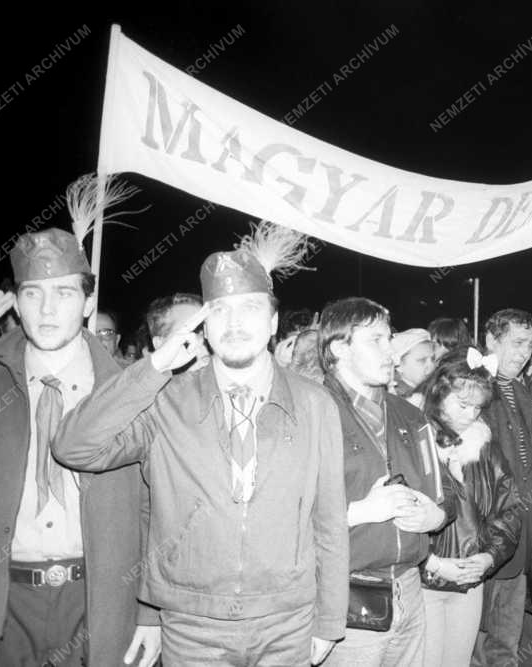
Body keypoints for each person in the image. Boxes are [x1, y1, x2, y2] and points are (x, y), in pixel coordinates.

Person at [55, 224, 349, 665]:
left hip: (286, 622)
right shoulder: (167, 399)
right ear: (204, 326)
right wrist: (152, 368)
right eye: (221, 311)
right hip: (192, 627)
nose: (234, 324)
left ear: (272, 322)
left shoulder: (315, 404)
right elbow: (75, 448)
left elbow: (329, 520)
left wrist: (330, 619)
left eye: (249, 309)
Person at [0, 228, 160, 666]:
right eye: (32, 294)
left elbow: (153, 508)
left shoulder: (128, 386)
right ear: (15, 301)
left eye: (64, 293)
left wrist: (149, 613)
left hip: (98, 602)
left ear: (88, 303)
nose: (47, 310)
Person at [319, 297, 456, 667]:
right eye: (375, 340)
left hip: (410, 588)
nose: (390, 352)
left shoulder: (410, 415)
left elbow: (447, 493)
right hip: (345, 594)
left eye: (389, 338)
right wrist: (355, 512)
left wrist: (436, 517)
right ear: (338, 348)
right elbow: (281, 514)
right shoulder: (312, 413)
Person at [418, 347, 521, 667]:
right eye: (462, 404)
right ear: (438, 394)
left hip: (470, 579)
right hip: (422, 582)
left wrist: (490, 555)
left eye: (477, 407)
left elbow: (510, 507)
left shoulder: (484, 446)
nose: (470, 415)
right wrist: (431, 563)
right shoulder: (416, 441)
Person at [473, 308, 532, 667]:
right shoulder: (474, 388)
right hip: (487, 530)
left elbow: (530, 460)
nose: (524, 353)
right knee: (478, 630)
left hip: (521, 525)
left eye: (530, 346)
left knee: (508, 628)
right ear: (491, 340)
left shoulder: (519, 389)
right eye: (517, 343)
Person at [142, 292, 210, 372]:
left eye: (206, 331)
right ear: (160, 344)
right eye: (190, 333)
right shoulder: (146, 383)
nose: (203, 347)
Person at [391, 328, 436, 407]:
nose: (431, 366)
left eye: (432, 359)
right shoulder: (401, 402)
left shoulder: (429, 389)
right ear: (399, 366)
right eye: (422, 360)